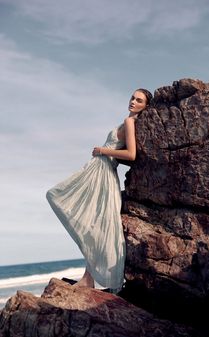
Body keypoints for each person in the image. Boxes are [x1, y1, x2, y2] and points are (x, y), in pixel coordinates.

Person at [46, 88, 153, 292]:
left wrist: (102, 150)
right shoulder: (126, 121)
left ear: (145, 106)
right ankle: (88, 277)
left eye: (139, 100)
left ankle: (90, 278)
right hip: (98, 172)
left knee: (67, 202)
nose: (133, 101)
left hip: (103, 174)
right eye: (132, 97)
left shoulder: (130, 122)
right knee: (90, 220)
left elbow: (131, 154)